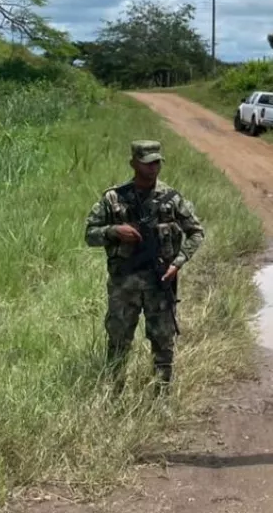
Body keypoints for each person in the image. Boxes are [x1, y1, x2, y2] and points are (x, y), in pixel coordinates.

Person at [84, 140, 205, 394]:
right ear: (133, 164)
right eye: (147, 163)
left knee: (163, 342)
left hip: (159, 284)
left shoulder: (171, 199)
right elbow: (89, 234)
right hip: (123, 284)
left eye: (157, 163)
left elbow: (196, 232)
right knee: (118, 341)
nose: (153, 168)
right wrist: (114, 230)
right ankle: (113, 394)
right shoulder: (113, 198)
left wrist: (178, 263)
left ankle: (161, 397)